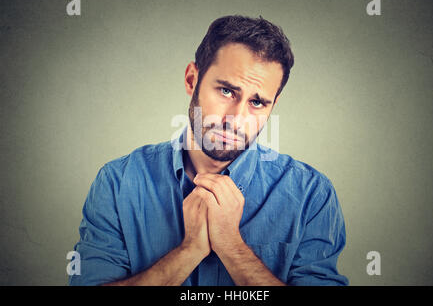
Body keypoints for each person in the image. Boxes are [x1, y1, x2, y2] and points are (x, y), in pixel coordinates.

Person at [69, 15, 348, 286]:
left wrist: (232, 247)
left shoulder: (311, 194)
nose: (236, 119)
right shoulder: (118, 182)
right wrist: (188, 251)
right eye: (227, 91)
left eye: (258, 102)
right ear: (192, 80)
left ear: (273, 104)